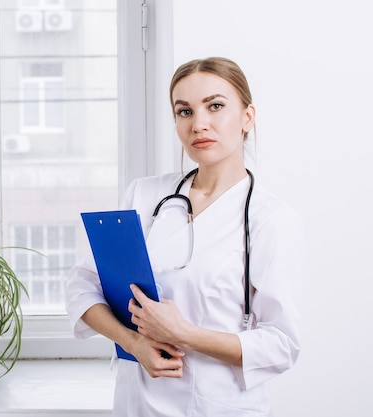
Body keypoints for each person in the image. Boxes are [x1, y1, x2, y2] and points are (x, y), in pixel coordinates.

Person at [66, 57, 303, 416]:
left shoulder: (270, 219)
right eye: (184, 111)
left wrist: (183, 333)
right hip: (137, 403)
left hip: (219, 406)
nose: (199, 124)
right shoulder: (144, 197)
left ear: (247, 117)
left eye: (216, 106)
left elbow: (282, 344)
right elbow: (82, 285)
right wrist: (133, 343)